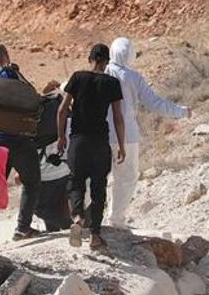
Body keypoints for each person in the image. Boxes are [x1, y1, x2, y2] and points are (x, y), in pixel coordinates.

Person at [104, 37, 191, 228]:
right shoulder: (133, 78)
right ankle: (116, 219)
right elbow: (154, 103)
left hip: (100, 134)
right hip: (126, 137)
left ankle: (85, 219)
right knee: (126, 177)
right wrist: (181, 111)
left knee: (97, 177)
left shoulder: (102, 72)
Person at [56, 44, 127, 250]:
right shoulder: (112, 83)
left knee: (76, 182)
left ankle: (77, 217)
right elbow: (117, 117)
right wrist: (121, 145)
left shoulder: (77, 77)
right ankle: (95, 235)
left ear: (90, 59)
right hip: (100, 143)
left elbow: (62, 110)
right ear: (107, 62)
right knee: (98, 187)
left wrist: (61, 137)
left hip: (78, 141)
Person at [0, 44, 42, 246]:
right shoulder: (12, 75)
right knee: (32, 181)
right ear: (7, 56)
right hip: (18, 139)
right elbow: (31, 98)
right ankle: (22, 228)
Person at [35, 143, 72, 232]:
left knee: (39, 208)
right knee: (56, 208)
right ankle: (65, 227)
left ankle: (68, 225)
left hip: (46, 174)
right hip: (64, 170)